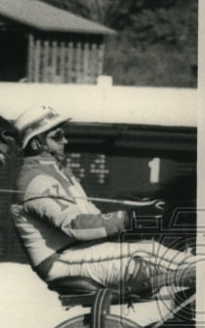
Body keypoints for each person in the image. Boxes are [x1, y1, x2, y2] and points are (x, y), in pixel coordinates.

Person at [10, 105, 195, 293]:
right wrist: (132, 217)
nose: (65, 140)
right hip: (62, 262)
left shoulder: (58, 172)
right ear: (36, 144)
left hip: (79, 253)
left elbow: (93, 217)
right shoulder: (37, 180)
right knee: (149, 252)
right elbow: (76, 226)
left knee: (149, 249)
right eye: (57, 136)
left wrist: (143, 216)